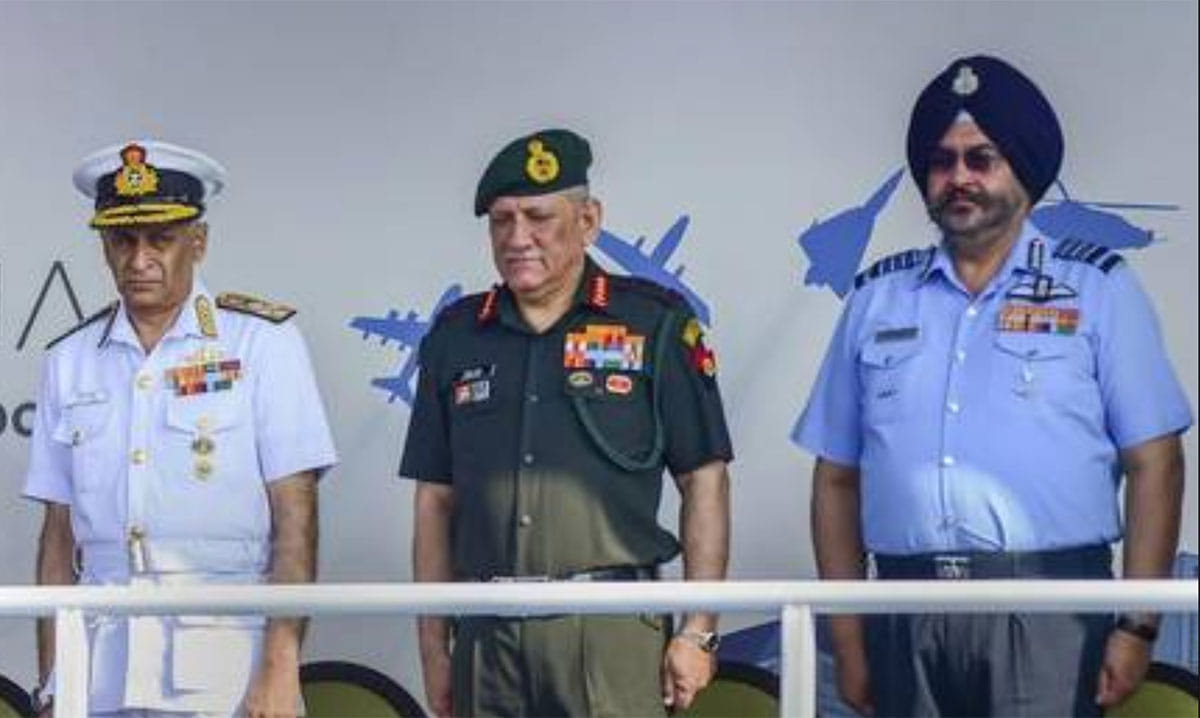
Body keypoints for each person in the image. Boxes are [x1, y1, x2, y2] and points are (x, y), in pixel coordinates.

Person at [794, 55, 1191, 717]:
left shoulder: (1098, 289)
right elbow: (836, 478)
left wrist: (1138, 623)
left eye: (982, 159)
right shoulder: (877, 298)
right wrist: (849, 634)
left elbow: (1156, 463)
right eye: (943, 161)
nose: (959, 178)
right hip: (902, 608)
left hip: (1051, 609)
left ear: (1024, 174)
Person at [400, 128, 733, 717]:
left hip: (611, 628)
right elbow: (435, 502)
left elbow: (704, 479)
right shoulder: (455, 335)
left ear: (588, 221)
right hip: (487, 634)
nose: (518, 238)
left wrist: (698, 628)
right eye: (501, 220)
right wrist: (433, 646)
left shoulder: (652, 324)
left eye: (538, 216)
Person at [24, 140, 338, 717]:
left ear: (198, 243)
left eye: (160, 239)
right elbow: (57, 536)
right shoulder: (69, 359)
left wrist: (279, 665)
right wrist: (52, 680)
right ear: (104, 246)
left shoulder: (261, 343)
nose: (139, 258)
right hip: (99, 667)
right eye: (122, 239)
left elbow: (296, 518)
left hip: (224, 660)